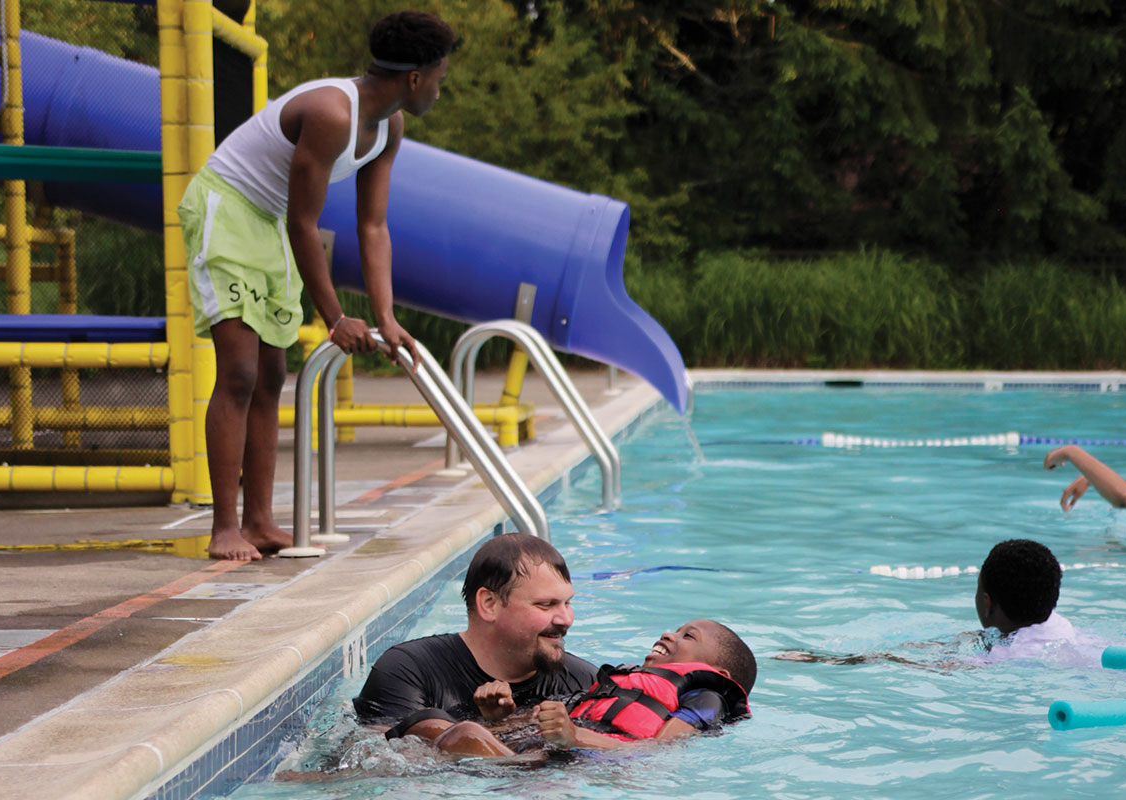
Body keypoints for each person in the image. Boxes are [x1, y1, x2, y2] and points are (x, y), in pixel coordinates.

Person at [176, 10, 454, 560]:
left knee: (273, 373)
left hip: (268, 222)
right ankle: (224, 527)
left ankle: (258, 521)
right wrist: (335, 318)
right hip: (227, 208)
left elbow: (372, 226)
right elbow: (307, 224)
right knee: (238, 370)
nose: (442, 91)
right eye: (441, 78)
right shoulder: (331, 113)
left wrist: (386, 316)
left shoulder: (388, 127)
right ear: (415, 77)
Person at [352, 533, 598, 745]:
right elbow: (375, 768)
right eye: (546, 605)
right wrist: (496, 727)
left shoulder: (585, 682)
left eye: (567, 603)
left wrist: (574, 736)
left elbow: (630, 758)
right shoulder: (409, 671)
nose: (566, 619)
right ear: (489, 604)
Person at [433, 618, 756, 756]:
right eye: (677, 628)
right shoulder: (618, 684)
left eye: (688, 636)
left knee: (462, 736)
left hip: (582, 764)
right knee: (432, 726)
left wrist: (574, 737)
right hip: (545, 753)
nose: (669, 634)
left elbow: (657, 750)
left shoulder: (708, 696)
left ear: (717, 671)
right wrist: (497, 717)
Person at [775, 539, 1079, 666]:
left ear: (987, 603)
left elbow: (922, 665)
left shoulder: (1005, 658)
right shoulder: (1058, 626)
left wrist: (827, 659)